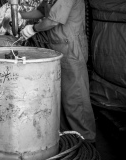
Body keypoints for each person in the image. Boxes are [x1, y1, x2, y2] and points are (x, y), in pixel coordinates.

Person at [18, 0, 96, 143]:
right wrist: (19, 15)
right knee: (62, 96)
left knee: (75, 97)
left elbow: (52, 21)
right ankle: (69, 138)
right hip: (57, 47)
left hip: (71, 47)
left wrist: (33, 29)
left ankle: (86, 140)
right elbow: (42, 11)